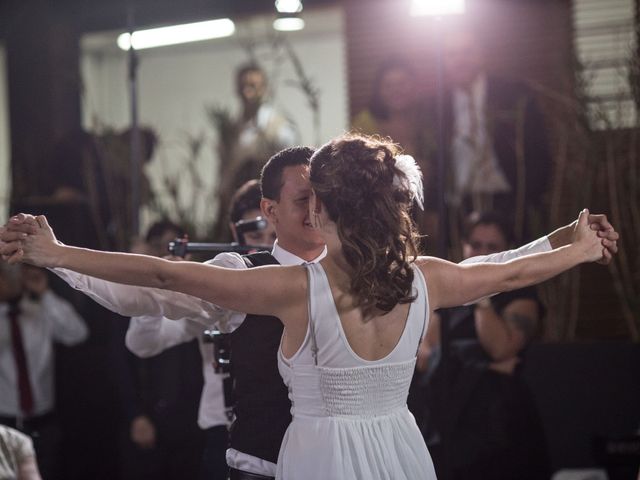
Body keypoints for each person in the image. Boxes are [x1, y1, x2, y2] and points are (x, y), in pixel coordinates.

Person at [0, 134, 619, 480]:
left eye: (317, 195)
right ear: (268, 211)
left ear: (329, 207)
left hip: (321, 461)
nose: (310, 205)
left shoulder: (297, 290)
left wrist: (57, 254)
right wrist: (575, 244)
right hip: (396, 454)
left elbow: (161, 266)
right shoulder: (421, 277)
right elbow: (501, 273)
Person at [125, 181, 275, 480]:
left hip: (283, 430)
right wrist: (160, 289)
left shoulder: (302, 282)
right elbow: (143, 344)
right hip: (224, 429)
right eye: (255, 234)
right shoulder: (219, 282)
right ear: (235, 233)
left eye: (274, 236)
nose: (266, 245)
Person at [416, 211, 551, 479]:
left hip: (499, 425)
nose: (482, 252)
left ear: (507, 251)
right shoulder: (448, 294)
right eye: (476, 245)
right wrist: (481, 364)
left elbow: (500, 348)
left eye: (492, 247)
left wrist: (481, 296)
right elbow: (423, 353)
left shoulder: (521, 295)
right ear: (464, 246)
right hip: (449, 420)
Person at [434, 27, 553, 245]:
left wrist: (529, 198)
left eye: (467, 51)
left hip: (510, 200)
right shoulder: (436, 104)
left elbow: (539, 150)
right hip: (460, 206)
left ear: (481, 54)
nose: (460, 60)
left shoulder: (513, 94)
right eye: (452, 54)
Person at [114, 220, 205, 480]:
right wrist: (135, 415)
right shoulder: (130, 293)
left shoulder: (201, 292)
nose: (170, 255)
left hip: (192, 416)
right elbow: (121, 361)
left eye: (176, 248)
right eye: (161, 248)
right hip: (149, 411)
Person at [0, 262, 88, 479]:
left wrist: (45, 294)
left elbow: (77, 333)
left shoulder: (41, 310)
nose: (6, 280)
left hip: (44, 424)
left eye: (12, 273)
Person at [351, 58, 437, 241]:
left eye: (402, 84)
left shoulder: (428, 123)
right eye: (388, 85)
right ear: (379, 90)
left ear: (414, 86)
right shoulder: (364, 124)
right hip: (379, 216)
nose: (396, 90)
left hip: (428, 212)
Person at [213, 63, 299, 241]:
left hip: (268, 201)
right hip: (236, 202)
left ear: (264, 88)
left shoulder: (278, 127)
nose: (248, 92)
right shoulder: (231, 130)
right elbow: (223, 169)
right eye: (243, 86)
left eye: (253, 86)